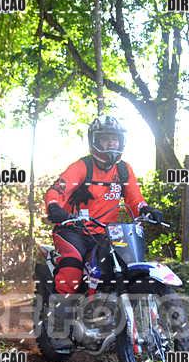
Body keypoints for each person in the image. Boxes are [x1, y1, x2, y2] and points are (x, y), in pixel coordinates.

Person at [44, 116, 164, 294]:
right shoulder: (82, 167)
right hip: (73, 230)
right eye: (106, 138)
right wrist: (54, 206)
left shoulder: (123, 170)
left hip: (106, 233)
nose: (112, 143)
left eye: (115, 139)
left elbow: (135, 199)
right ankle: (61, 310)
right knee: (72, 267)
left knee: (121, 266)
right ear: (94, 140)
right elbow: (57, 190)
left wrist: (146, 209)